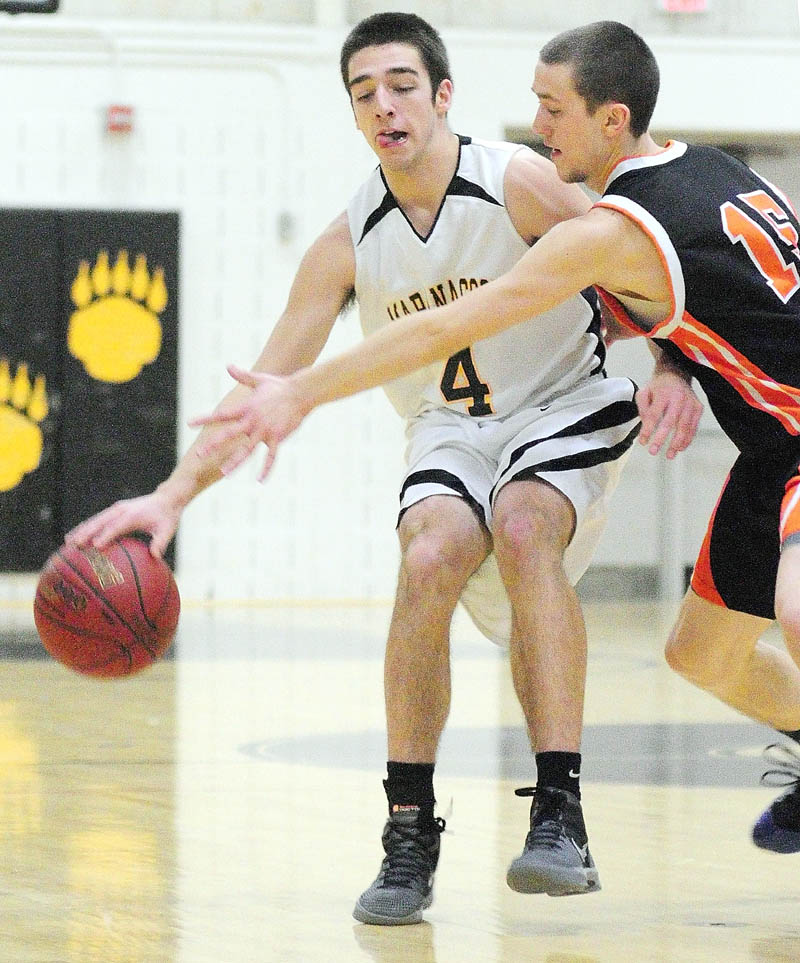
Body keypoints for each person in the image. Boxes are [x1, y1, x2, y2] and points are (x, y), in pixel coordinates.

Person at [68, 14, 701, 924]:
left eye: (402, 85)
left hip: (562, 402)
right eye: (364, 93)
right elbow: (267, 384)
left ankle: (559, 810)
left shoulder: (515, 180)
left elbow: (648, 268)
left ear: (444, 96)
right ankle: (410, 829)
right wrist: (174, 495)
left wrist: (676, 368)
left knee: (524, 524)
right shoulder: (346, 242)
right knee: (428, 551)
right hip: (450, 427)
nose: (384, 106)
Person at [191, 19, 800, 861]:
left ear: (611, 120)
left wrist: (302, 391)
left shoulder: (606, 228)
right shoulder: (711, 170)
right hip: (773, 451)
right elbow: (702, 299)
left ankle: (543, 809)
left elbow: (448, 324)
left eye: (552, 108)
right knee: (702, 654)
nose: (539, 125)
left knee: (797, 611)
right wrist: (677, 363)